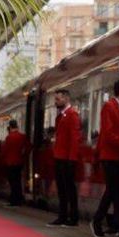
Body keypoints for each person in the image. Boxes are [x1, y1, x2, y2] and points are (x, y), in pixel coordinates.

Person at [92, 79, 119, 237]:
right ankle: (100, 221)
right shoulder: (109, 107)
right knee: (113, 190)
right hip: (110, 156)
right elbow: (108, 133)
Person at [49, 89, 82, 226]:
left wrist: (72, 159)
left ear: (66, 99)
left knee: (69, 189)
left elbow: (75, 139)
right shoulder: (62, 116)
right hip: (60, 157)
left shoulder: (72, 115)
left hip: (67, 158)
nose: (56, 102)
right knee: (62, 189)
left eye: (58, 99)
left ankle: (73, 217)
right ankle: (62, 216)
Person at [0, 121, 28, 207]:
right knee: (18, 181)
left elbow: (4, 151)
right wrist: (23, 156)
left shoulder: (9, 137)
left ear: (10, 127)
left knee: (13, 182)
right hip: (19, 162)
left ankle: (14, 200)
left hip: (10, 163)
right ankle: (19, 199)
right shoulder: (22, 136)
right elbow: (29, 146)